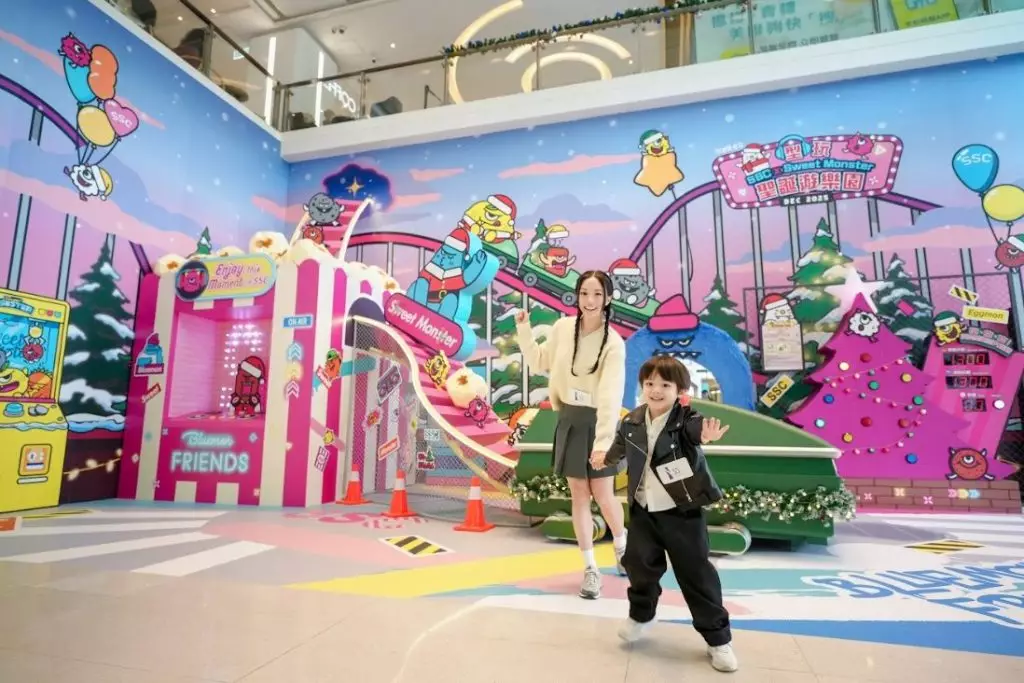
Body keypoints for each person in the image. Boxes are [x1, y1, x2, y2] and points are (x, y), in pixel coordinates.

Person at [593, 355, 738, 673]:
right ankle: (641, 615)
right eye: (649, 383)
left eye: (665, 384)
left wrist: (706, 436)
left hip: (682, 512)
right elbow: (619, 448)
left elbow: (696, 431)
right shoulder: (632, 421)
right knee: (638, 565)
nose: (656, 390)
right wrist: (605, 459)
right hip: (644, 511)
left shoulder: (686, 419)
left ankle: (718, 639)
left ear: (680, 390)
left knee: (696, 575)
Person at [516, 271, 627, 599]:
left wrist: (604, 443)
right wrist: (524, 329)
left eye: (597, 294)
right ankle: (590, 568)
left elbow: (610, 396)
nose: (589, 301)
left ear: (608, 298)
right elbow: (540, 362)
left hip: (599, 421)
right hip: (570, 419)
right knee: (579, 494)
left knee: (603, 494)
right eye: (584, 293)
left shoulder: (613, 343)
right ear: (577, 296)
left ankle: (622, 547)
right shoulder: (563, 328)